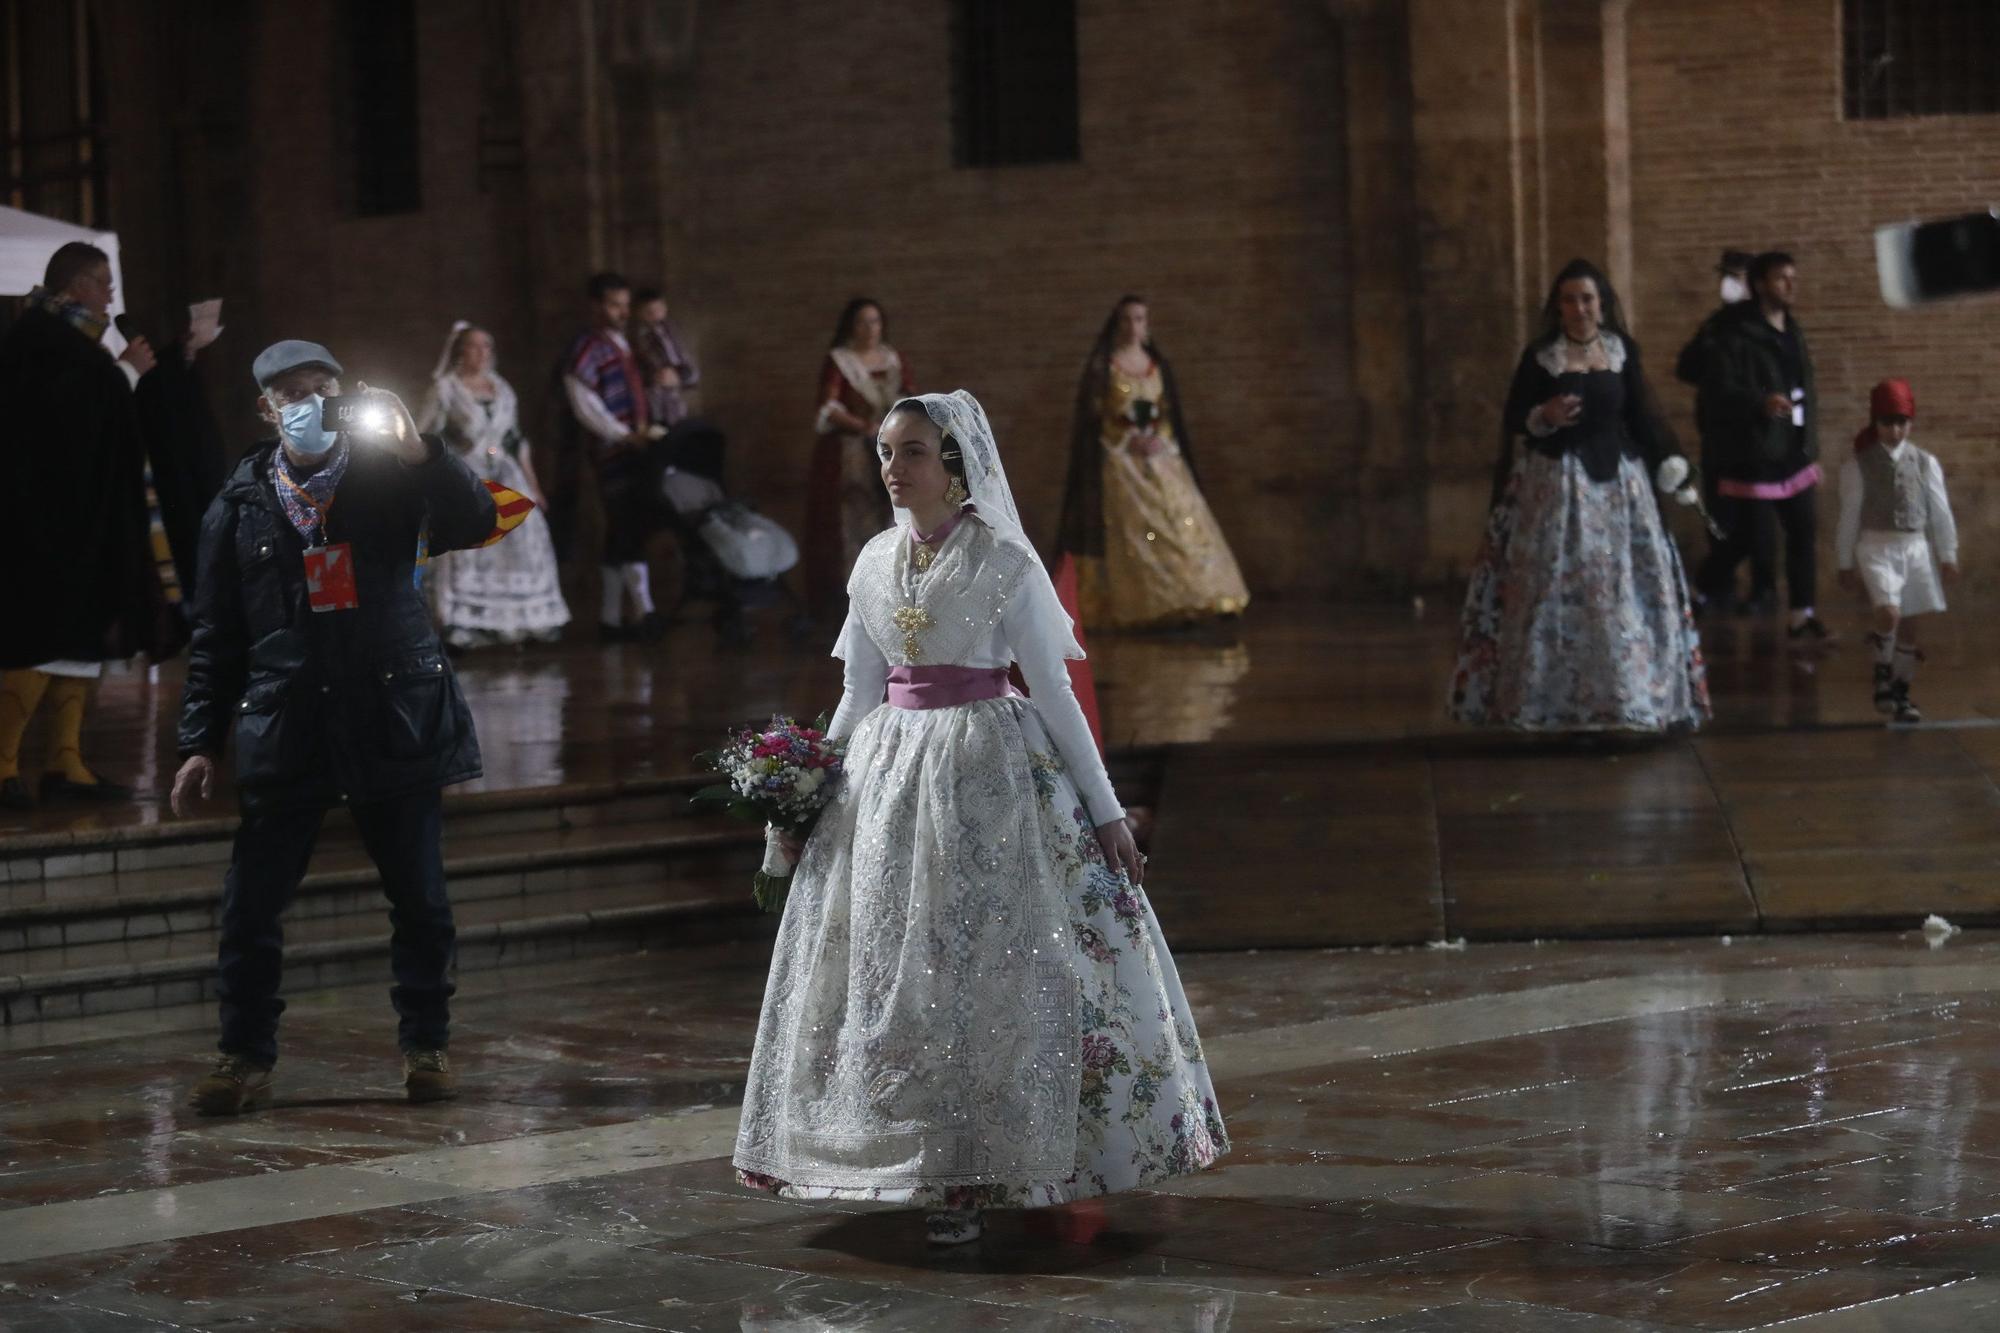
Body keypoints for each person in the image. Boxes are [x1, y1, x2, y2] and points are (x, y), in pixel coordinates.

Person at [734, 390, 1227, 1246]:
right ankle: (924, 1161)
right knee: (901, 968)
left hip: (991, 777)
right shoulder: (874, 559)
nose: (893, 467)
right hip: (888, 781)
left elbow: (1058, 695)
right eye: (886, 452)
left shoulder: (1006, 561)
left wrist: (1106, 809)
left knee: (986, 966)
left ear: (956, 466)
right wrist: (808, 786)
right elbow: (856, 692)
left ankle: (989, 1165)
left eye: (914, 451)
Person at [171, 339, 497, 1115]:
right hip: (287, 717)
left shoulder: (390, 474)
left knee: (419, 896)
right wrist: (198, 740)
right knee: (250, 906)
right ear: (265, 407)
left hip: (392, 711)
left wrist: (419, 448)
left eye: (323, 389)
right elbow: (215, 631)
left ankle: (427, 1044)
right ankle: (242, 1056)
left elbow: (475, 517)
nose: (308, 403)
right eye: (290, 392)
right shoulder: (240, 501)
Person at [1450, 258, 1709, 733]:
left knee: (1623, 586)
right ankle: (1550, 700)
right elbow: (1514, 417)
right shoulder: (1541, 356)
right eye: (1569, 299)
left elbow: (1644, 415)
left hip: (1621, 485)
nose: (1579, 307)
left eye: (1587, 298)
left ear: (1602, 303)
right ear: (1558, 306)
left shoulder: (1621, 350)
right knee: (1558, 585)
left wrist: (1672, 465)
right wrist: (1545, 413)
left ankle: (1629, 696)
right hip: (1557, 483)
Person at [0, 242, 170, 810]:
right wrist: (123, 374)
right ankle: (3, 763)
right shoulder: (40, 341)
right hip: (44, 526)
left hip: (80, 522)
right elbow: (56, 423)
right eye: (103, 282)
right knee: (42, 639)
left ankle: (64, 761)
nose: (111, 294)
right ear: (75, 287)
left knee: (77, 641)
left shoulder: (71, 343)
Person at [1057, 296, 1249, 631]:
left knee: (1182, 521)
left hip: (1161, 459)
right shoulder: (1107, 367)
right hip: (1123, 461)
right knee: (1137, 532)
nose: (1134, 325)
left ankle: (1198, 598)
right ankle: (1145, 606)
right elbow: (1097, 416)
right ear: (1118, 325)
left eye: (1140, 319)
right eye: (1128, 319)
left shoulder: (1156, 366)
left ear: (1148, 325)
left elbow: (1165, 412)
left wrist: (1157, 435)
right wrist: (1129, 436)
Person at [1693, 251, 1831, 644]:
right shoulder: (1737, 334)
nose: (1790, 284)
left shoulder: (1793, 329)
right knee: (1746, 540)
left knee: (1803, 533)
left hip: (1794, 450)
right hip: (1755, 454)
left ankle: (1802, 616)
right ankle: (1699, 589)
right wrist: (1760, 403)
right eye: (1781, 278)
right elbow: (1720, 388)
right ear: (1759, 285)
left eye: (1792, 276)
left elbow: (1807, 390)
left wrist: (1810, 446)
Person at [419, 321, 570, 648]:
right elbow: (426, 433)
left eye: (486, 346)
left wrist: (534, 485)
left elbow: (515, 439)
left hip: (504, 469)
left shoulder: (501, 388)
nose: (481, 353)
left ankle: (527, 619)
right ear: (461, 351)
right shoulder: (446, 388)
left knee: (526, 530)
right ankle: (464, 622)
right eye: (474, 346)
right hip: (465, 472)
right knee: (470, 537)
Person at [1837, 379, 1958, 724]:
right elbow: (1849, 516)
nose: (1895, 430)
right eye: (1888, 422)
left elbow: (1940, 510)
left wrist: (1948, 554)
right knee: (1888, 612)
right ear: (1875, 423)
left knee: (1910, 624)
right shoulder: (1859, 465)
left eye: (1902, 422)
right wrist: (1845, 561)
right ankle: (1881, 670)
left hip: (1915, 546)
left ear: (1911, 423)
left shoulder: (1924, 462)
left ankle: (1901, 689)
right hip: (1876, 546)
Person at [558, 272, 665, 642]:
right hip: (614, 450)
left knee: (624, 529)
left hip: (636, 447)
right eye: (613, 305)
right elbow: (583, 401)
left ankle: (611, 619)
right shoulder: (587, 347)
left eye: (624, 305)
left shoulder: (624, 344)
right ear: (596, 306)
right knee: (627, 524)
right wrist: (622, 435)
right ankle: (644, 611)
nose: (622, 312)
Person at [1676, 248, 1776, 616]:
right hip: (1718, 438)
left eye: (1737, 277)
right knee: (1720, 519)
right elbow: (1685, 368)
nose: (1729, 285)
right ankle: (1721, 589)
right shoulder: (1716, 324)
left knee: (1758, 523)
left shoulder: (1764, 325)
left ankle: (1762, 590)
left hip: (1755, 438)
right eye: (1726, 277)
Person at [802, 297, 913, 622]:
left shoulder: (893, 359)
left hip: (890, 447)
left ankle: (894, 597)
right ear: (851, 325)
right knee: (854, 515)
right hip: (850, 451)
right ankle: (855, 600)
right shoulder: (840, 361)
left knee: (893, 515)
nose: (870, 329)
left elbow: (909, 395)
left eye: (875, 321)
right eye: (863, 322)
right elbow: (829, 407)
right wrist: (866, 427)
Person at [631, 287, 701, 430]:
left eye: (659, 309)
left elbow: (685, 361)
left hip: (676, 393)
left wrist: (681, 374)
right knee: (659, 425)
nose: (656, 315)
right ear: (639, 313)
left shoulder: (671, 331)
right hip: (653, 392)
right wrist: (653, 376)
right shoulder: (637, 337)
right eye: (649, 312)